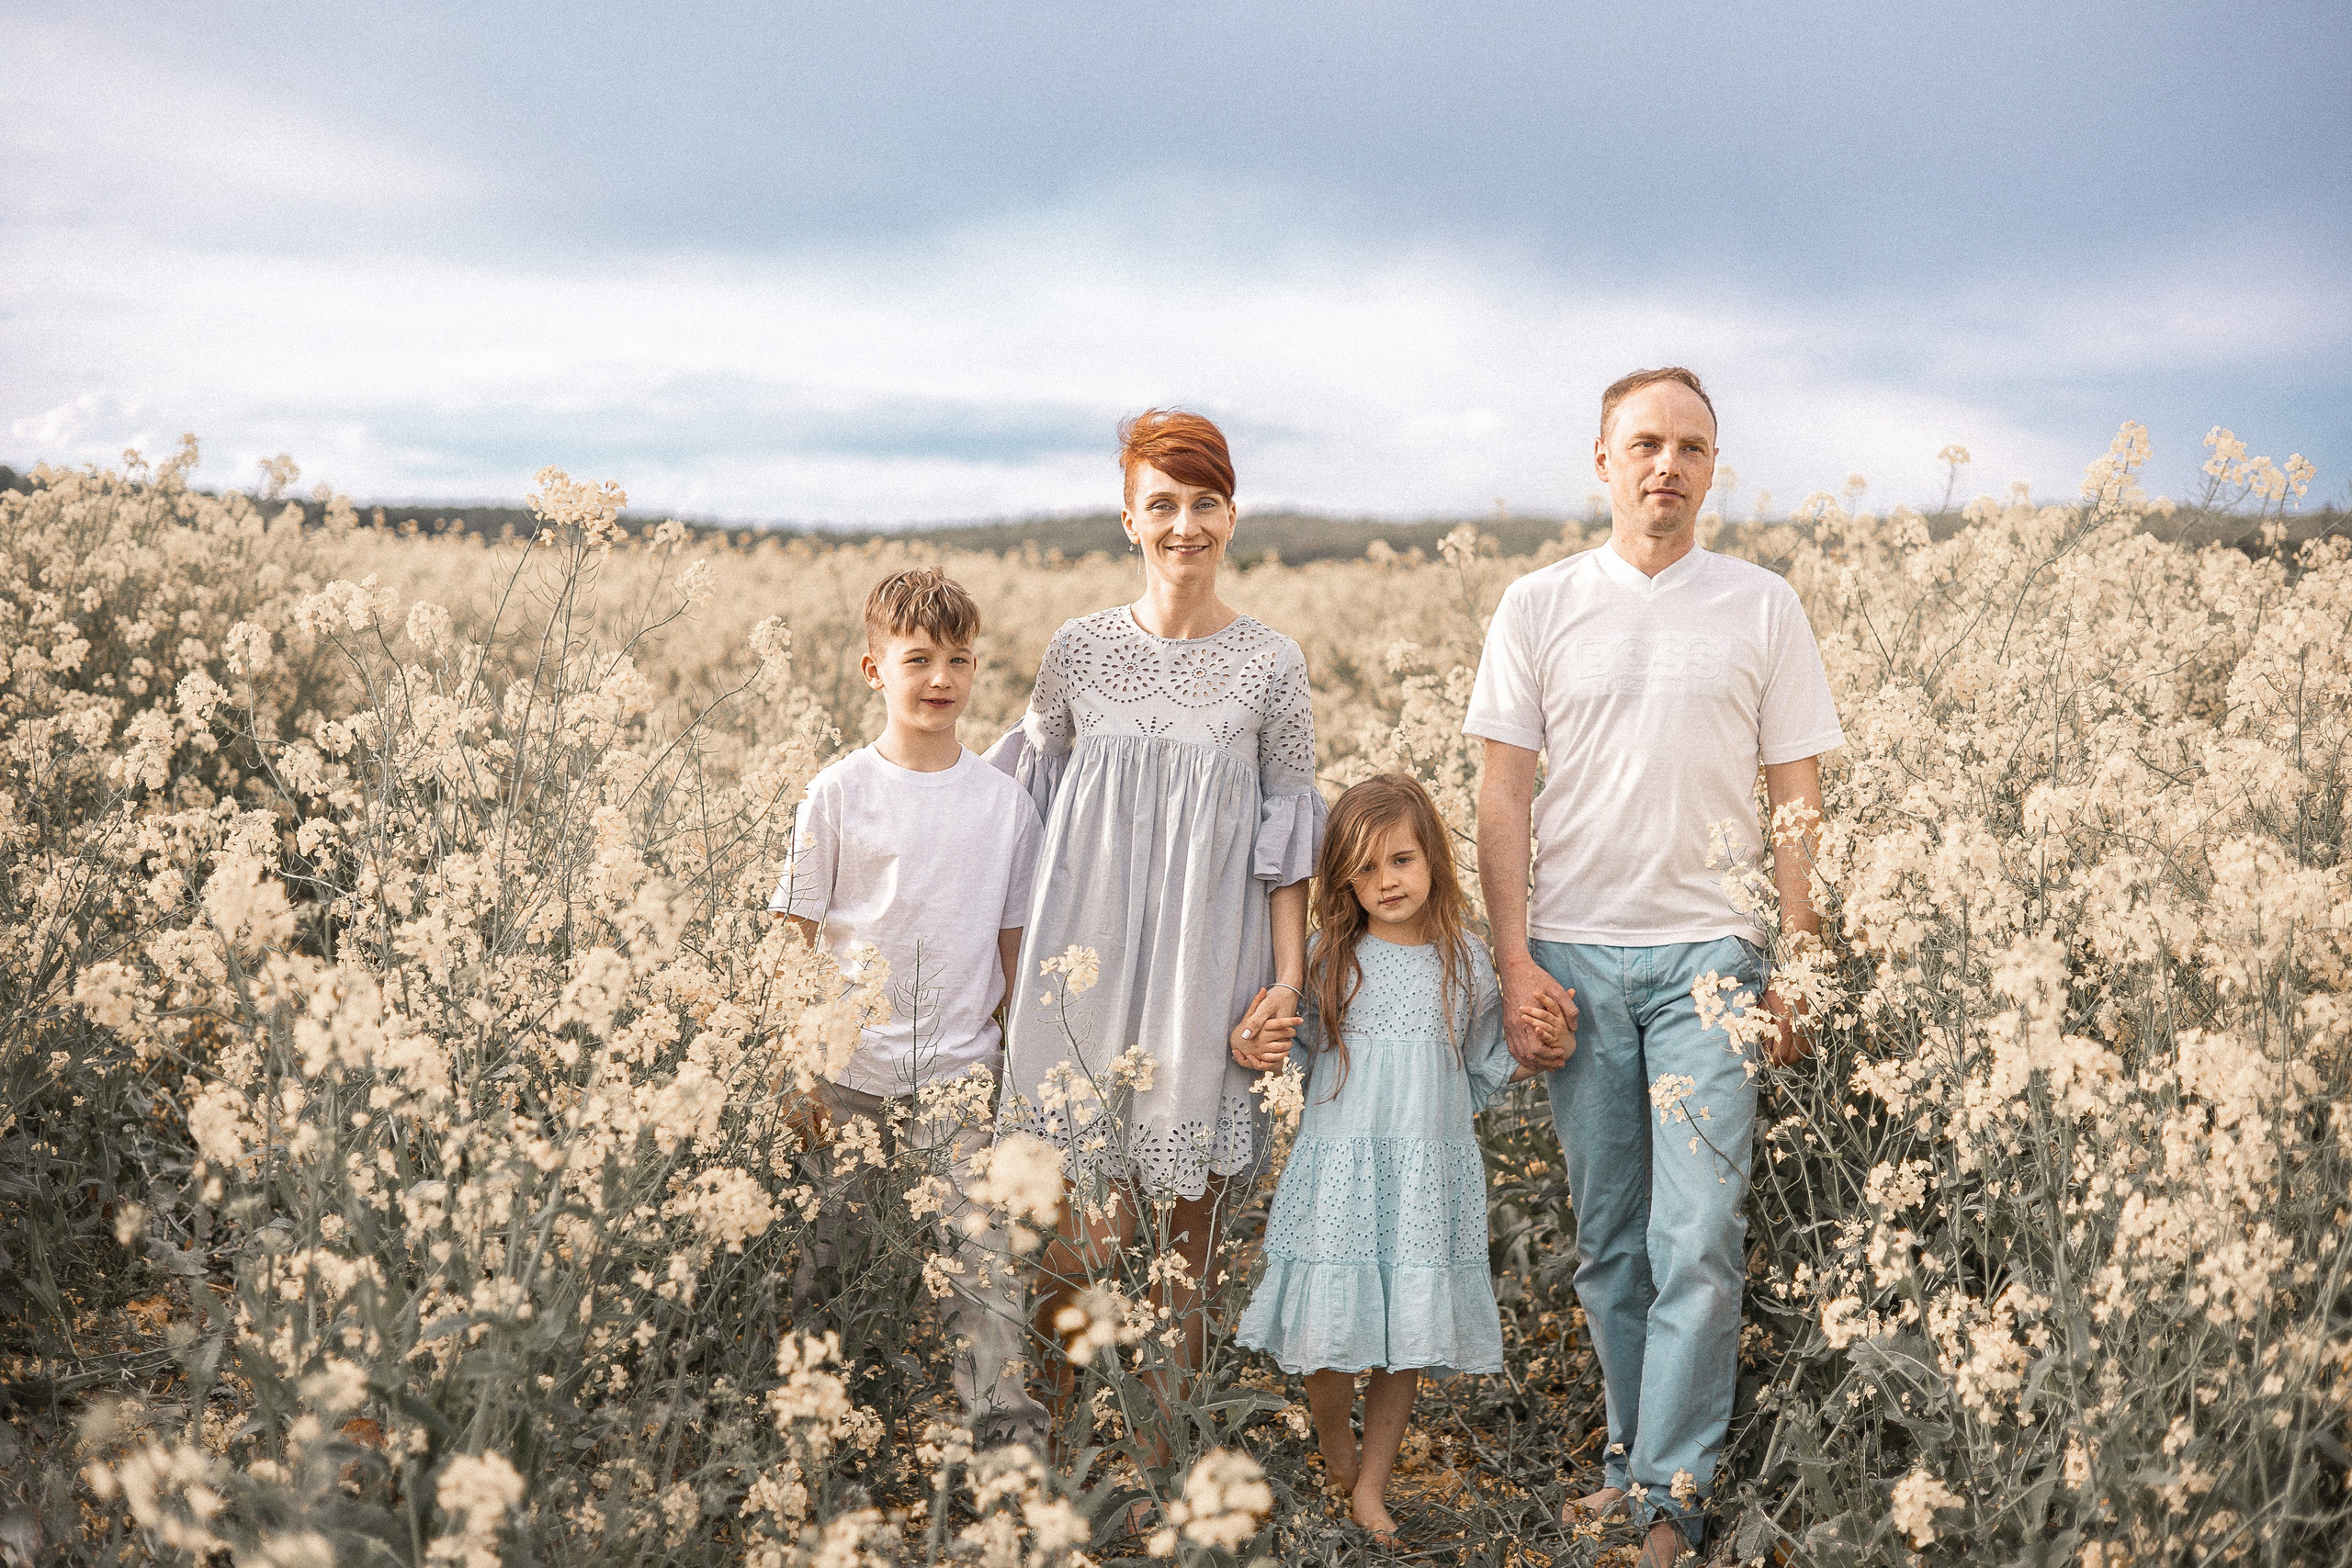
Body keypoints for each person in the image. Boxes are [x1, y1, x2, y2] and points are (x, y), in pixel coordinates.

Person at [1466, 367, 1844, 1564]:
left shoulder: (1761, 604)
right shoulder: (1537, 603)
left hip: (1713, 966)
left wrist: (1803, 959)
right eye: (1645, 444)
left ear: (1711, 466)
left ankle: (1671, 1498)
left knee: (1700, 1239)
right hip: (1575, 958)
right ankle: (1634, 1462)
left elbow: (1798, 791)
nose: (1666, 465)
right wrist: (1515, 960)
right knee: (1613, 1239)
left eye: (1690, 446)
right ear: (1602, 459)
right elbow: (1501, 794)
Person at [988, 409, 1325, 1418]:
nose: (1185, 524)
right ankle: (1048, 1451)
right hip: (1076, 962)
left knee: (1189, 1240)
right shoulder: (1078, 651)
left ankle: (1164, 1459)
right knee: (1074, 1235)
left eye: (1204, 502)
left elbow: (1287, 842)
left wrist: (1287, 986)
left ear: (1232, 515)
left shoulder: (1273, 664)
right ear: (1128, 519)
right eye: (1162, 504)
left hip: (1204, 970)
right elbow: (1025, 812)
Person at [1233, 773, 1568, 1542]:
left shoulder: (1468, 961)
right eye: (1365, 867)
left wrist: (1549, 1043)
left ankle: (1372, 1484)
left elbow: (1488, 1064)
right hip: (1341, 1170)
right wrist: (1254, 1038)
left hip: (1425, 1176)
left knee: (1403, 1334)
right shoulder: (1328, 957)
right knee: (1329, 1331)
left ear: (1433, 862)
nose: (1386, 881)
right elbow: (1286, 1050)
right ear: (1344, 879)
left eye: (1402, 860)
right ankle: (1333, 1438)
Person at [770, 566, 1048, 1445]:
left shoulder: (1005, 805)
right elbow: (795, 939)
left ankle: (1005, 1440)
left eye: (958, 660)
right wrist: (794, 1070)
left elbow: (1016, 950)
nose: (939, 679)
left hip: (961, 1076)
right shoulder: (838, 791)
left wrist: (1016, 1074)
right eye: (917, 658)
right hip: (848, 1073)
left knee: (986, 1268)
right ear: (872, 669)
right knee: (819, 1266)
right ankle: (806, 1431)